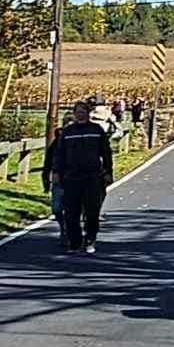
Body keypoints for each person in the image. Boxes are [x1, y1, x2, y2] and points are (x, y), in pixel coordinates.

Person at [43, 100, 115, 253]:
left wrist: (108, 172)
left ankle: (90, 239)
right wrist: (56, 172)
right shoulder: (68, 133)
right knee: (71, 213)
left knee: (92, 212)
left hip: (93, 177)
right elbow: (59, 155)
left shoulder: (96, 131)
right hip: (71, 177)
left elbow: (106, 153)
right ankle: (74, 242)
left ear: (88, 114)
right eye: (78, 112)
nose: (80, 115)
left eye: (83, 112)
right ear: (74, 114)